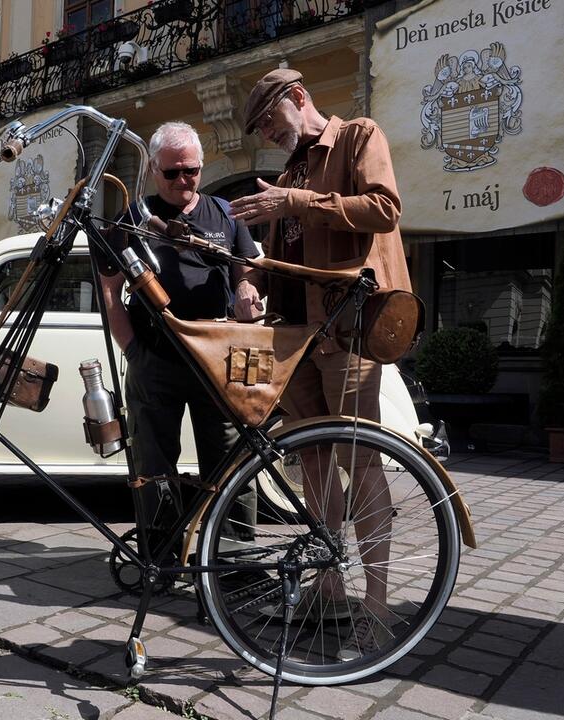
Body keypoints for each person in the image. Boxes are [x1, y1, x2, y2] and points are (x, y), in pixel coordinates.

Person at [231, 68, 411, 658]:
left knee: (360, 462)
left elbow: (384, 209)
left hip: (351, 329)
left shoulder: (358, 136)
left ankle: (378, 607)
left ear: (299, 98)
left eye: (268, 119)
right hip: (296, 335)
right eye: (258, 126)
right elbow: (291, 256)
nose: (265, 132)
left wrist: (296, 200)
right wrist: (250, 276)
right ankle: (329, 585)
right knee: (311, 462)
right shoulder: (288, 174)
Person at [98, 121, 261, 561]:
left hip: (217, 360)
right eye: (171, 173)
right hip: (156, 359)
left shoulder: (224, 214)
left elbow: (246, 270)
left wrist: (246, 290)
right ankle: (162, 557)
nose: (182, 181)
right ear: (154, 170)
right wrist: (133, 351)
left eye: (190, 170)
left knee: (231, 460)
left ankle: (234, 561)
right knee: (154, 466)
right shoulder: (133, 217)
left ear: (201, 168)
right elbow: (109, 289)